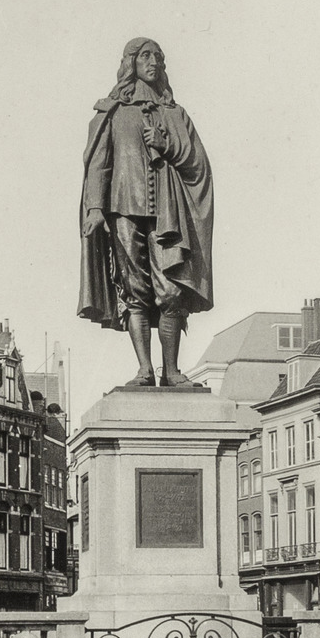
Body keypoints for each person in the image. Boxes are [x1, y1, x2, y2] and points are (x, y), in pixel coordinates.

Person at [78, 38, 215, 388]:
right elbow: (98, 163)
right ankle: (145, 369)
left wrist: (167, 144)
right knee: (134, 289)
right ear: (131, 63)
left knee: (171, 291)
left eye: (158, 57)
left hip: (168, 214)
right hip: (122, 209)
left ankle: (171, 370)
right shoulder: (113, 112)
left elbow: (199, 164)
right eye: (145, 56)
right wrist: (95, 207)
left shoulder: (175, 113)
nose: (154, 62)